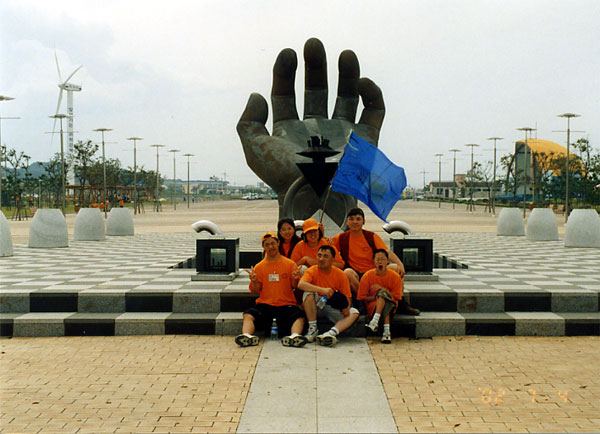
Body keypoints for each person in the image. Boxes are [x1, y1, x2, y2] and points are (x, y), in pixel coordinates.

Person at [332, 207, 419, 315]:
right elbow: (325, 246)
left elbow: (386, 252)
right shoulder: (341, 238)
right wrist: (320, 232)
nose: (355, 222)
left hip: (374, 272)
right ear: (347, 221)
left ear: (363, 221)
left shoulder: (371, 236)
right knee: (347, 272)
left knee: (395, 268)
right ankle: (363, 302)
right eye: (351, 219)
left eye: (358, 219)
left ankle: (400, 303)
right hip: (357, 276)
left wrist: (400, 264)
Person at [236, 232, 308, 348]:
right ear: (263, 247)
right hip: (265, 305)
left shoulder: (290, 264)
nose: (271, 247)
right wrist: (254, 281)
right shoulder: (259, 267)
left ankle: (294, 337)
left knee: (300, 317)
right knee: (248, 315)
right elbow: (256, 291)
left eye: (273, 243)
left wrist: (295, 278)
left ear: (278, 243)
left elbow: (295, 286)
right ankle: (247, 336)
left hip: (286, 305)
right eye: (267, 244)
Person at [298, 245, 359, 347]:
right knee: (308, 293)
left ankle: (330, 333)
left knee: (354, 312)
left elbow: (348, 296)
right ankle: (313, 329)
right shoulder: (312, 270)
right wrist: (322, 290)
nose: (321, 259)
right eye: (319, 255)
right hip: (314, 306)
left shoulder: (340, 274)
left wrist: (347, 308)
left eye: (325, 256)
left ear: (332, 259)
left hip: (330, 306)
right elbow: (301, 284)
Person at [357, 249, 403, 343]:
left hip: (392, 305)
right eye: (378, 259)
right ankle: (386, 332)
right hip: (373, 306)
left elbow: (397, 296)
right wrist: (376, 297)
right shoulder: (367, 276)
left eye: (382, 259)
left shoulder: (395, 276)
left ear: (387, 261)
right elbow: (361, 297)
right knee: (383, 298)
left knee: (383, 295)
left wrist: (382, 290)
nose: (380, 262)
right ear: (373, 261)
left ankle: (374, 321)